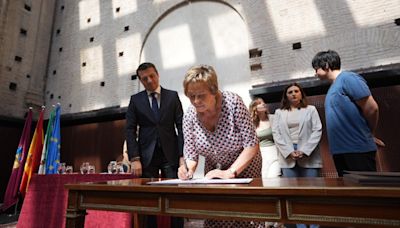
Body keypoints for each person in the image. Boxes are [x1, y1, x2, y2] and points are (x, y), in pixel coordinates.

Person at [178, 64, 263, 228]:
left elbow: (251, 144)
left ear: (214, 90)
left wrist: (230, 172)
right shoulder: (190, 115)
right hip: (214, 173)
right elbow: (191, 154)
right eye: (191, 96)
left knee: (246, 215)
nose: (195, 101)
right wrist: (187, 169)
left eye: (201, 95)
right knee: (218, 216)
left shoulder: (232, 103)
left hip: (244, 167)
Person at [125, 62, 184, 228]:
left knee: (175, 198)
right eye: (145, 79)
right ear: (141, 81)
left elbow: (181, 126)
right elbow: (130, 130)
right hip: (145, 157)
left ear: (157, 74)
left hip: (170, 154)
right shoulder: (135, 100)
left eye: (152, 76)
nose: (149, 80)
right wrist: (134, 158)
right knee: (148, 200)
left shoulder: (172, 96)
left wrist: (182, 156)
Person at [312, 50, 385, 177]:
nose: (315, 73)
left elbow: (372, 108)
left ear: (326, 65)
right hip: (341, 151)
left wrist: (370, 133)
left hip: (357, 149)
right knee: (351, 193)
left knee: (365, 192)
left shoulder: (348, 78)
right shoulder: (333, 87)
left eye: (316, 69)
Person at [272, 83, 322, 228]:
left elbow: (317, 130)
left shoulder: (310, 110)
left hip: (308, 155)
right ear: (286, 96)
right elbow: (277, 134)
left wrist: (305, 150)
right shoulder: (279, 112)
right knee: (294, 195)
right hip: (288, 156)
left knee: (312, 195)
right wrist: (288, 151)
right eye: (290, 92)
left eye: (296, 91)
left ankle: (314, 226)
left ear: (301, 94)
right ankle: (300, 226)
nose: (293, 94)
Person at [249, 98, 281, 178]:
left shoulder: (273, 118)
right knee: (263, 178)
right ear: (254, 108)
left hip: (274, 152)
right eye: (259, 103)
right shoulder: (250, 123)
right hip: (260, 154)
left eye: (263, 102)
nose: (263, 104)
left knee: (274, 177)